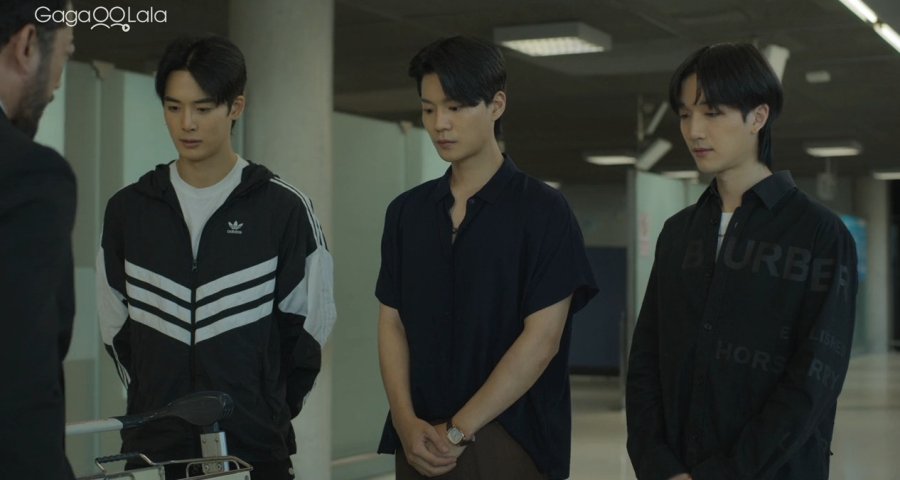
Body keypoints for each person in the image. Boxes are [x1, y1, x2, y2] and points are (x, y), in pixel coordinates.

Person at [96, 34, 336, 480]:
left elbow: (308, 330)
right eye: (173, 107)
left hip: (253, 452)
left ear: (235, 107)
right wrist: (152, 407)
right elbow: (115, 328)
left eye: (203, 109)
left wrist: (263, 410)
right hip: (154, 452)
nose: (186, 123)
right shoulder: (128, 210)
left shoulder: (282, 209)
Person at [625, 43, 858, 480]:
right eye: (685, 115)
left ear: (758, 117)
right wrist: (658, 464)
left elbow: (814, 379)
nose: (694, 130)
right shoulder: (678, 233)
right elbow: (646, 361)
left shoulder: (818, 235)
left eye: (712, 113)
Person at [375, 35, 597, 480]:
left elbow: (542, 340)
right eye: (428, 109)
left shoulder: (543, 211)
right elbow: (392, 322)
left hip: (511, 438)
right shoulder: (407, 213)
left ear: (496, 105)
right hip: (419, 440)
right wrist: (403, 419)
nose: (440, 124)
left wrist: (459, 430)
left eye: (455, 107)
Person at [0, 1, 76, 478]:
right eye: (64, 55)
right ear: (27, 45)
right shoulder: (26, 174)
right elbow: (20, 382)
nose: (56, 85)